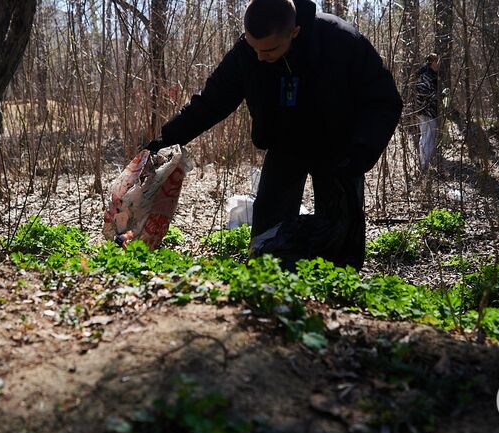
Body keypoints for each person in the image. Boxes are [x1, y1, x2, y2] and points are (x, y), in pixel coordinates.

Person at [145, 0, 402, 269]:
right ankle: (268, 295)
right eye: (252, 46)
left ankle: (336, 299)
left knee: (340, 236)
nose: (259, 56)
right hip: (285, 146)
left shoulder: (341, 41)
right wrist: (168, 139)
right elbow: (211, 102)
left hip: (341, 151)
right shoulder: (248, 51)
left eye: (268, 50)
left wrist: (361, 153)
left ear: (294, 32)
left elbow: (385, 101)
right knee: (266, 238)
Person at [414, 53, 440, 172]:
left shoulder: (430, 75)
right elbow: (425, 94)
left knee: (427, 137)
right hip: (426, 112)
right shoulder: (425, 76)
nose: (438, 64)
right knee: (427, 138)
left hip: (428, 111)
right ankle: (424, 166)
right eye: (437, 61)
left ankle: (425, 165)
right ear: (432, 62)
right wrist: (440, 95)